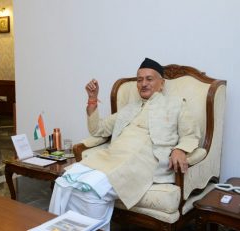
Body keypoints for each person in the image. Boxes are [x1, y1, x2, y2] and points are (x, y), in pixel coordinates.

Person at [49, 58, 200, 230]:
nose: (143, 84)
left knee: (91, 189)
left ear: (162, 83)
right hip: (111, 156)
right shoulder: (129, 108)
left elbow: (190, 134)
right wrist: (92, 100)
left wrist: (180, 149)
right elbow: (98, 130)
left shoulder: (176, 105)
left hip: (141, 160)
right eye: (139, 79)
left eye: (149, 79)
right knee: (64, 183)